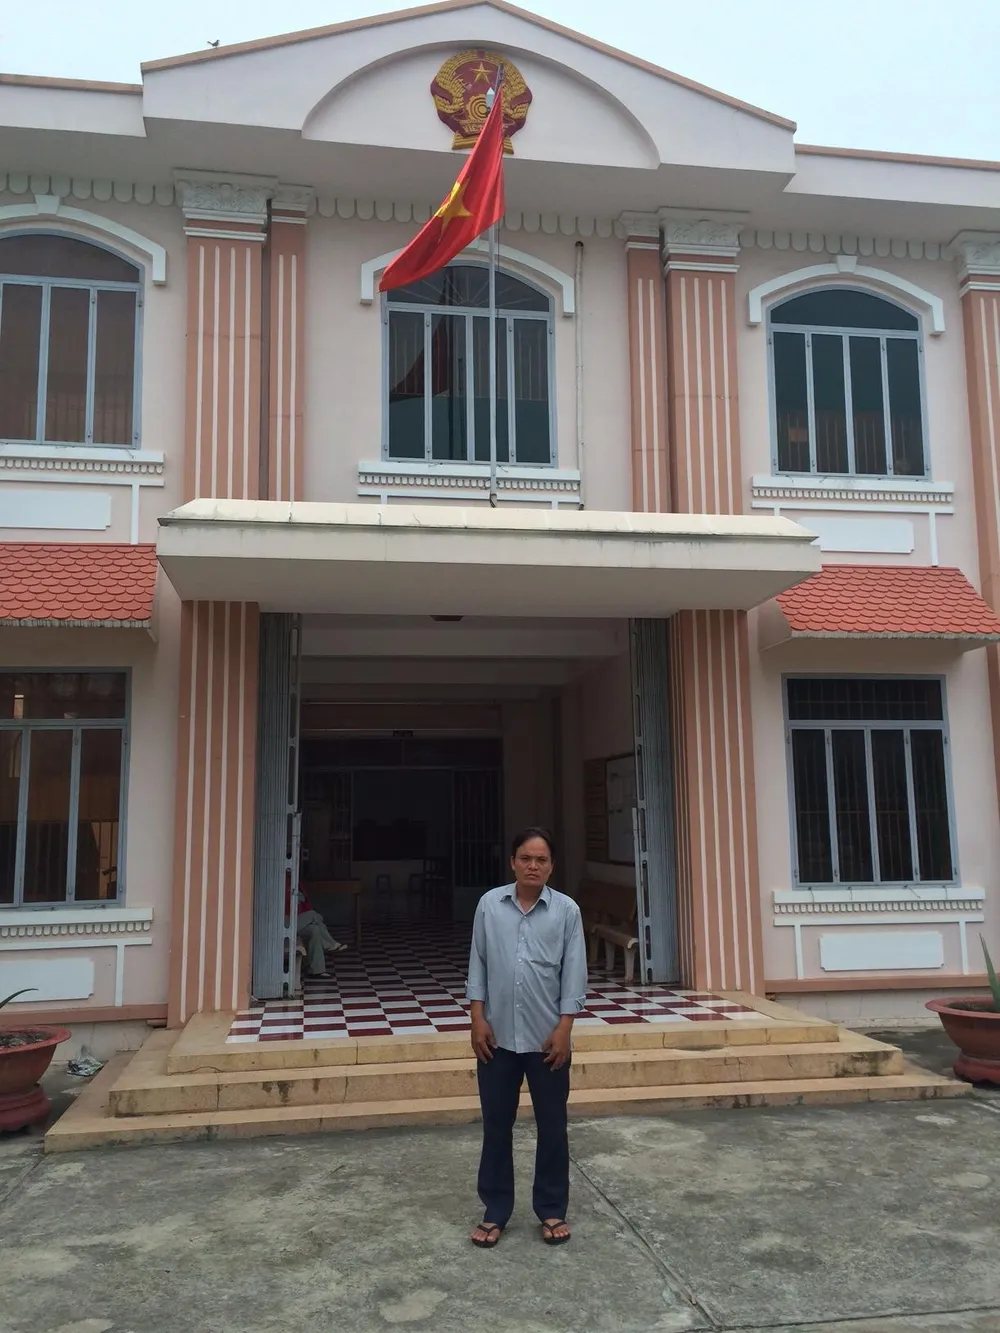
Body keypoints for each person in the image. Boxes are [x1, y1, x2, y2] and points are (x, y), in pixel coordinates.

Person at [466, 827, 588, 1249]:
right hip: (496, 1038)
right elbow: (478, 963)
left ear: (551, 866)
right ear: (513, 862)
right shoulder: (489, 905)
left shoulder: (567, 911)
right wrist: (477, 1017)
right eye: (525, 858)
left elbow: (574, 973)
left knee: (553, 1127)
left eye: (541, 860)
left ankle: (551, 1209)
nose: (533, 866)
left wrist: (565, 1028)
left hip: (547, 1041)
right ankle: (495, 1210)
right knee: (496, 1127)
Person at [296, 887, 346, 978]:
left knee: (315, 929)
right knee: (314, 915)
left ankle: (316, 970)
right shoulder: (282, 886)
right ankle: (330, 945)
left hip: (297, 923)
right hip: (285, 924)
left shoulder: (298, 886)